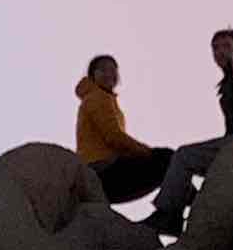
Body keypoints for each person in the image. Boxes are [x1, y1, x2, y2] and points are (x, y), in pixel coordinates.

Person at [143, 29, 233, 237]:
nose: (220, 52)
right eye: (216, 48)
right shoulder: (226, 86)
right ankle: (190, 206)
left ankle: (170, 214)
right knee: (191, 166)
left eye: (227, 46)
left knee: (184, 156)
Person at [73, 55, 174, 206]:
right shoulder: (98, 97)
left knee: (168, 162)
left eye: (113, 70)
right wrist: (149, 153)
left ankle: (177, 207)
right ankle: (178, 209)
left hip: (100, 172)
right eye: (103, 69)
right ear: (92, 75)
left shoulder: (102, 98)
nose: (109, 73)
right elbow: (114, 137)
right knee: (167, 159)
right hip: (101, 172)